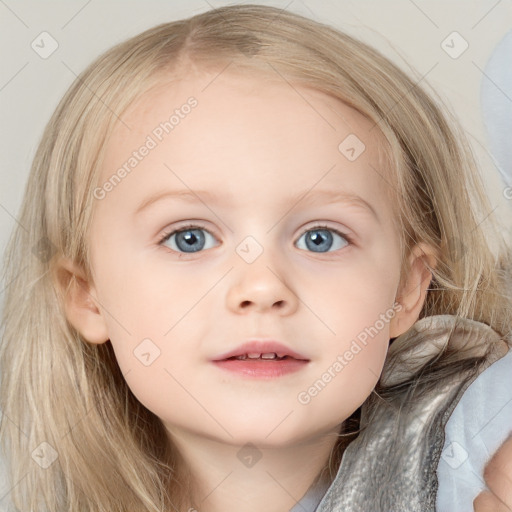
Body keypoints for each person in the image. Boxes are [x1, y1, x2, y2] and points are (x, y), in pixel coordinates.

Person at [0, 4, 511, 511]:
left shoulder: (474, 456)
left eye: (321, 238)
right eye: (189, 238)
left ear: (406, 288)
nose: (262, 287)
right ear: (87, 294)